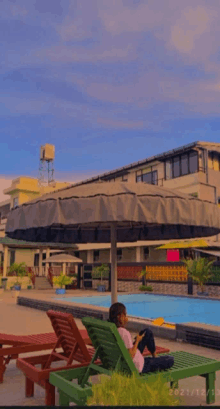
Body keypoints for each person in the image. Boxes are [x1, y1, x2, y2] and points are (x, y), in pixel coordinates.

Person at [108, 302, 174, 374]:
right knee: (170, 359)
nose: (126, 318)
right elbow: (130, 356)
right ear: (119, 317)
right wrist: (137, 341)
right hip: (138, 365)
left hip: (123, 360)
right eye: (125, 315)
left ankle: (155, 357)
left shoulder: (110, 329)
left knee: (147, 332)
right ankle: (155, 360)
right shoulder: (124, 333)